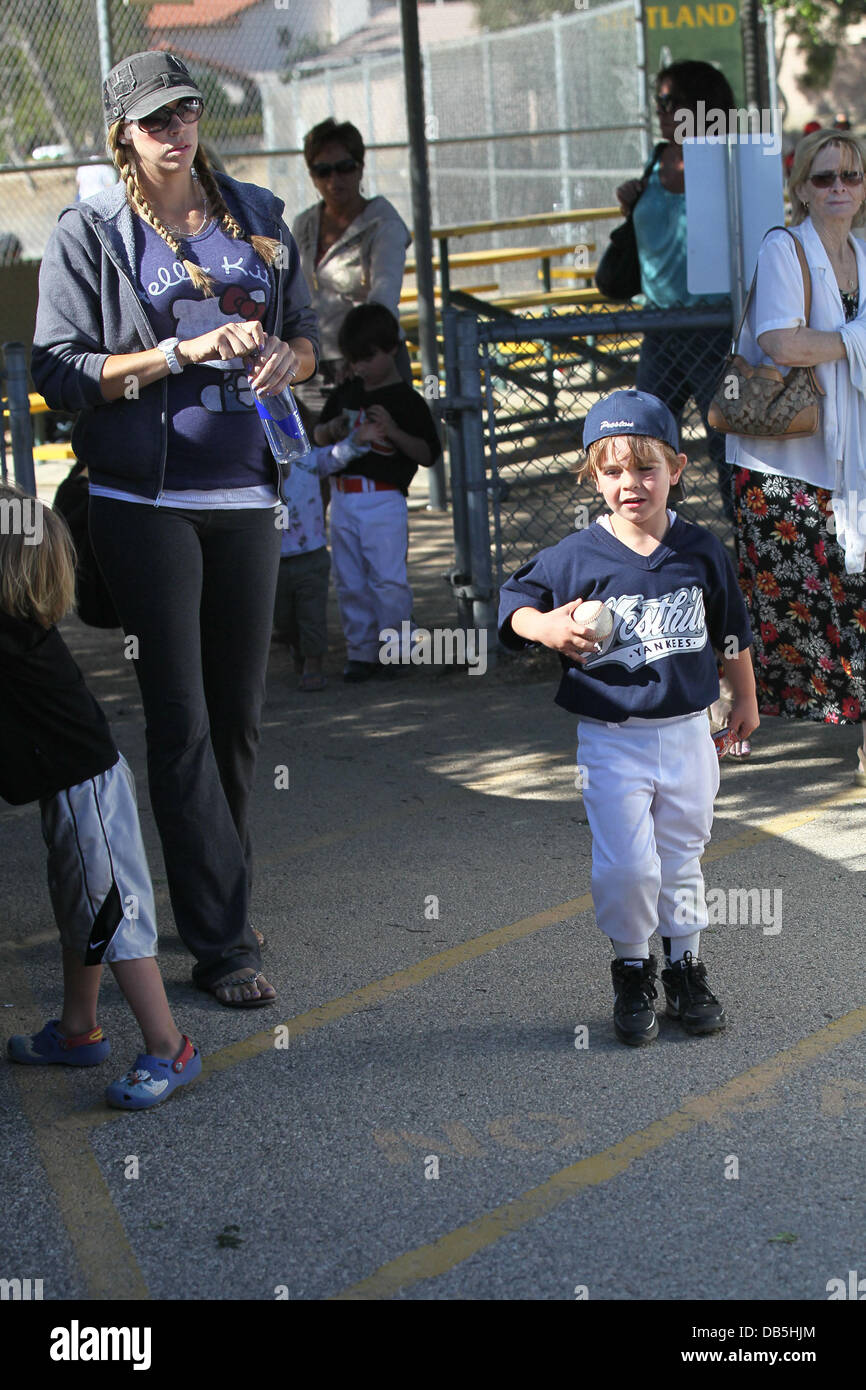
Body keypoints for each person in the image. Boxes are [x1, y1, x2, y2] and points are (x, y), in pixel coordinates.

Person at [31, 50, 318, 1007]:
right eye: (155, 120)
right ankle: (224, 942)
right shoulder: (91, 233)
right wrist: (174, 352)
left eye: (187, 113)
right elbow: (60, 371)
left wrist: (290, 356)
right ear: (123, 132)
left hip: (248, 494)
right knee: (183, 721)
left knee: (237, 718)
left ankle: (218, 900)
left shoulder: (260, 216)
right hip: (143, 505)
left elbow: (312, 332)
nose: (176, 131)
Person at [498, 391, 759, 1046]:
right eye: (611, 470)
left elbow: (732, 633)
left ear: (677, 468)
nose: (629, 484)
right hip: (611, 739)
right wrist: (547, 627)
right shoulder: (577, 556)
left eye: (645, 468)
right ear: (592, 477)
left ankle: (685, 966)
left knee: (681, 857)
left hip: (688, 733)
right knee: (626, 868)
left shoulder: (700, 550)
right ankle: (632, 967)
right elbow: (514, 604)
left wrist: (745, 699)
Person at [0, 484, 201, 1109]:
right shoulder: (14, 626)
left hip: (90, 792)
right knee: (81, 911)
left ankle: (170, 1047)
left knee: (115, 918)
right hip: (70, 788)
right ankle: (77, 1030)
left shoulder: (8, 630)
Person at [726, 128, 866, 778]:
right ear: (801, 188)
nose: (839, 188)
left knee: (851, 604)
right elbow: (781, 343)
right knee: (792, 612)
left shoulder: (862, 254)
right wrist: (858, 339)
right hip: (781, 468)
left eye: (851, 176)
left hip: (847, 463)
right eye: (824, 177)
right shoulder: (783, 248)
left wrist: (845, 340)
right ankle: (710, 708)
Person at [615, 61, 736, 521]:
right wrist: (633, 204)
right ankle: (656, 551)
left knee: (727, 446)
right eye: (659, 102)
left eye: (672, 101)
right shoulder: (657, 156)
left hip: (715, 327)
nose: (662, 111)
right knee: (646, 447)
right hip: (660, 326)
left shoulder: (727, 160)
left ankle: (744, 556)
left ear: (701, 106)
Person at [313, 302, 441, 681]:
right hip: (343, 495)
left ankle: (397, 651)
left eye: (369, 356)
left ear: (392, 350)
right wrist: (336, 427)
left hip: (383, 497)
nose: (361, 367)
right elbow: (317, 436)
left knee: (387, 579)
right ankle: (362, 653)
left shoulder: (407, 399)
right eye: (356, 359)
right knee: (350, 579)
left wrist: (395, 431)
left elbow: (429, 454)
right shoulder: (348, 391)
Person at [292, 118, 412, 428]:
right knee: (317, 464)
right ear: (312, 176)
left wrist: (359, 357)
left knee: (373, 465)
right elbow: (294, 290)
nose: (335, 179)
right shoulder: (304, 223)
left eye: (344, 167)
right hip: (313, 364)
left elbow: (383, 298)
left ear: (360, 168)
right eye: (323, 171)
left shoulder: (384, 225)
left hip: (370, 362)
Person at [273, 462, 330, 691]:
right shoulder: (256, 459)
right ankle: (297, 647)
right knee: (282, 619)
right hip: (274, 556)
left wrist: (356, 436)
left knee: (312, 614)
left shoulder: (312, 457)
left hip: (311, 554)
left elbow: (338, 454)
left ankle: (313, 663)